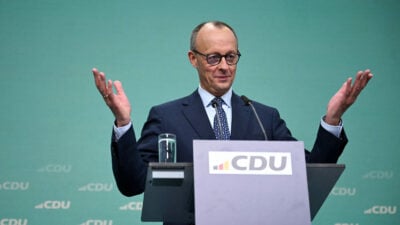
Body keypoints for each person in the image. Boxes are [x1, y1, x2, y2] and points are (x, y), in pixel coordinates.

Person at [92, 21, 372, 198]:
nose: (224, 66)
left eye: (231, 56)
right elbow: (133, 184)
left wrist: (333, 119)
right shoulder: (167, 117)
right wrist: (123, 121)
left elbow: (309, 175)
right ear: (193, 59)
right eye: (213, 57)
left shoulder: (264, 118)